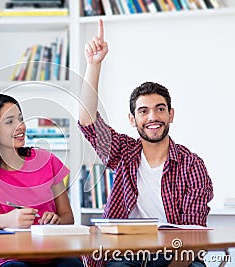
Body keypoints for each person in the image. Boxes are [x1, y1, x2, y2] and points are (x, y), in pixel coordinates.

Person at [78, 20, 213, 267]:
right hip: (125, 255)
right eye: (143, 111)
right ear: (132, 119)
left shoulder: (192, 165)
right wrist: (93, 65)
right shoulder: (123, 153)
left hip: (176, 255)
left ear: (171, 115)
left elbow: (194, 236)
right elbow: (87, 121)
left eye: (160, 109)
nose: (152, 117)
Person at [0, 94, 83, 267]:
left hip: (55, 253)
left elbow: (68, 216)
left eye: (21, 119)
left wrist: (56, 220)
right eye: (9, 121)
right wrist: (9, 220)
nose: (20, 126)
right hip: (12, 257)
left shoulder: (47, 160)